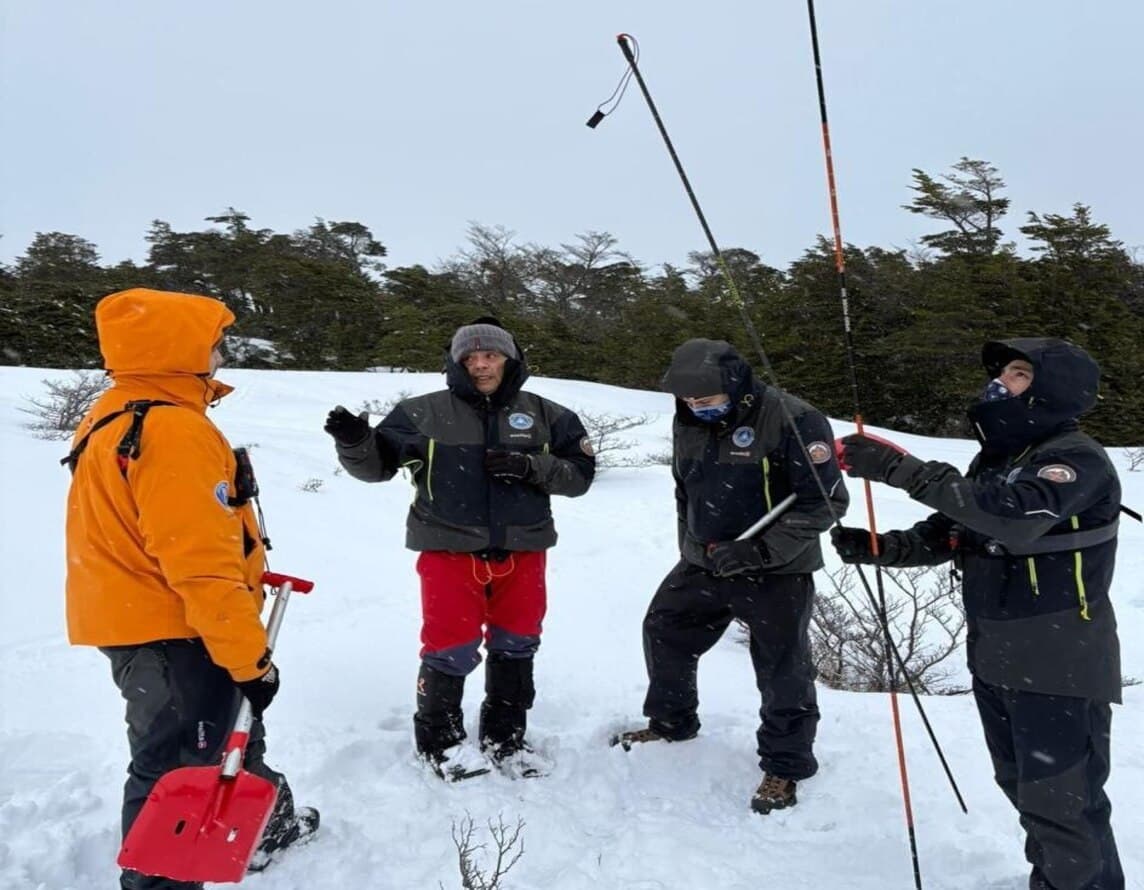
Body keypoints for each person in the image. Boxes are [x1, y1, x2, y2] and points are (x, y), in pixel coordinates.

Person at [831, 338, 1124, 890]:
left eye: (1018, 373)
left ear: (1052, 389)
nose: (999, 384)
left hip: (1061, 663)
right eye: (1003, 373)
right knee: (1024, 789)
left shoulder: (1074, 458)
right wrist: (884, 548)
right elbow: (958, 530)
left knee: (1064, 805)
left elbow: (1013, 519)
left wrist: (901, 469)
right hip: (999, 656)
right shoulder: (1001, 458)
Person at [64, 288, 318, 890]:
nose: (221, 353)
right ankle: (162, 882)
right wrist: (249, 659)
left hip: (141, 614)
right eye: (213, 343)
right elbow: (200, 565)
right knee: (178, 766)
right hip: (176, 626)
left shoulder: (118, 411)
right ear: (179, 349)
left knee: (231, 726)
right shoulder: (172, 429)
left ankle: (264, 828)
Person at [324, 317, 595, 780]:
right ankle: (441, 743)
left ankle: (505, 738)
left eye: (490, 355)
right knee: (451, 647)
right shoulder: (421, 413)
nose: (480, 365)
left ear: (509, 359)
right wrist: (355, 444)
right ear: (456, 363)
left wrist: (532, 466)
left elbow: (580, 476)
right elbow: (377, 468)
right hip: (449, 551)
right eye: (469, 358)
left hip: (524, 550)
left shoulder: (550, 415)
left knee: (517, 644)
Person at [613, 338, 849, 815]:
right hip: (705, 561)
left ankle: (785, 765)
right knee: (665, 630)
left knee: (782, 667)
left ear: (736, 385)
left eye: (707, 400)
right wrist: (694, 547)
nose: (696, 408)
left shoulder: (794, 419)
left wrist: (760, 550)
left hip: (776, 569)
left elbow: (826, 502)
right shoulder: (689, 420)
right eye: (688, 401)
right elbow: (687, 488)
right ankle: (671, 723)